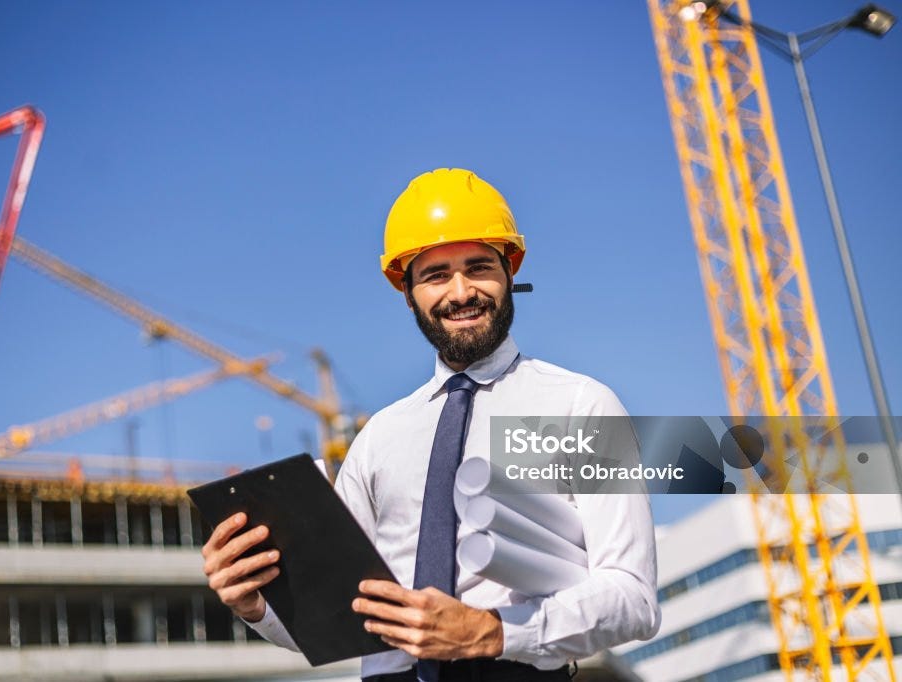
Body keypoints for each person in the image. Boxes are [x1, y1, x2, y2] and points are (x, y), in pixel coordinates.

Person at [202, 168, 661, 681]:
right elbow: (335, 615)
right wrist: (256, 606)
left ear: (510, 272)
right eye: (436, 275)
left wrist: (493, 631)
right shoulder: (377, 438)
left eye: (479, 267)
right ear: (408, 292)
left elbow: (633, 597)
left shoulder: (583, 405)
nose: (461, 292)